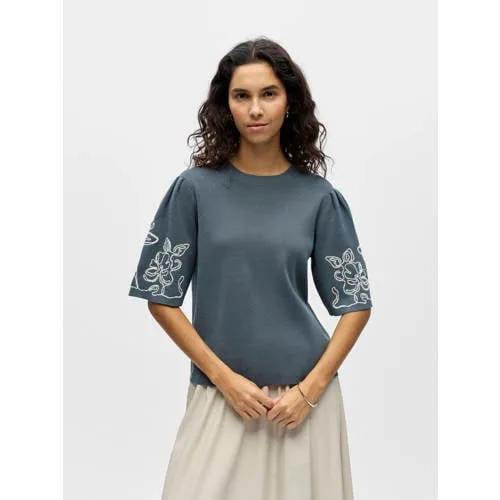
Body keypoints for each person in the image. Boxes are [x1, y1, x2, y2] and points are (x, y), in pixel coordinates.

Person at [128, 36, 373, 500]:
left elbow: (355, 305)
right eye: (241, 96)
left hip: (302, 403)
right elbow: (160, 298)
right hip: (223, 392)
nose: (255, 109)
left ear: (288, 102)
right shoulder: (192, 190)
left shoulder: (319, 198)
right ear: (226, 105)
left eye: (268, 94)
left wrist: (310, 390)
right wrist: (225, 380)